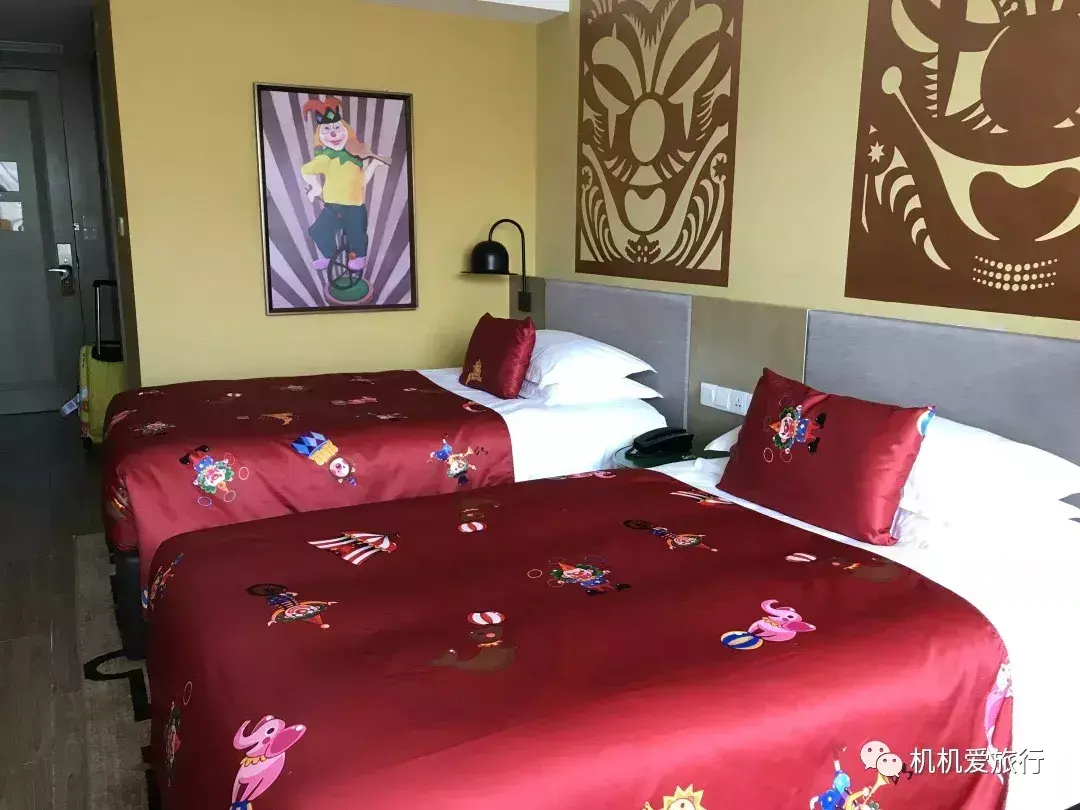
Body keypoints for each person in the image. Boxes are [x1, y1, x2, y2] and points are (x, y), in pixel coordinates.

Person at [299, 97, 390, 273]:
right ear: (320, 136)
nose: (333, 134)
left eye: (337, 128)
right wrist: (316, 188)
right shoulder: (326, 158)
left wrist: (373, 165)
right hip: (333, 206)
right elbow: (306, 170)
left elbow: (361, 181)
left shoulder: (355, 158)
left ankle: (359, 257)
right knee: (317, 231)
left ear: (346, 131)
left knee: (356, 234)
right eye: (327, 130)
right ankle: (329, 256)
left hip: (355, 206)